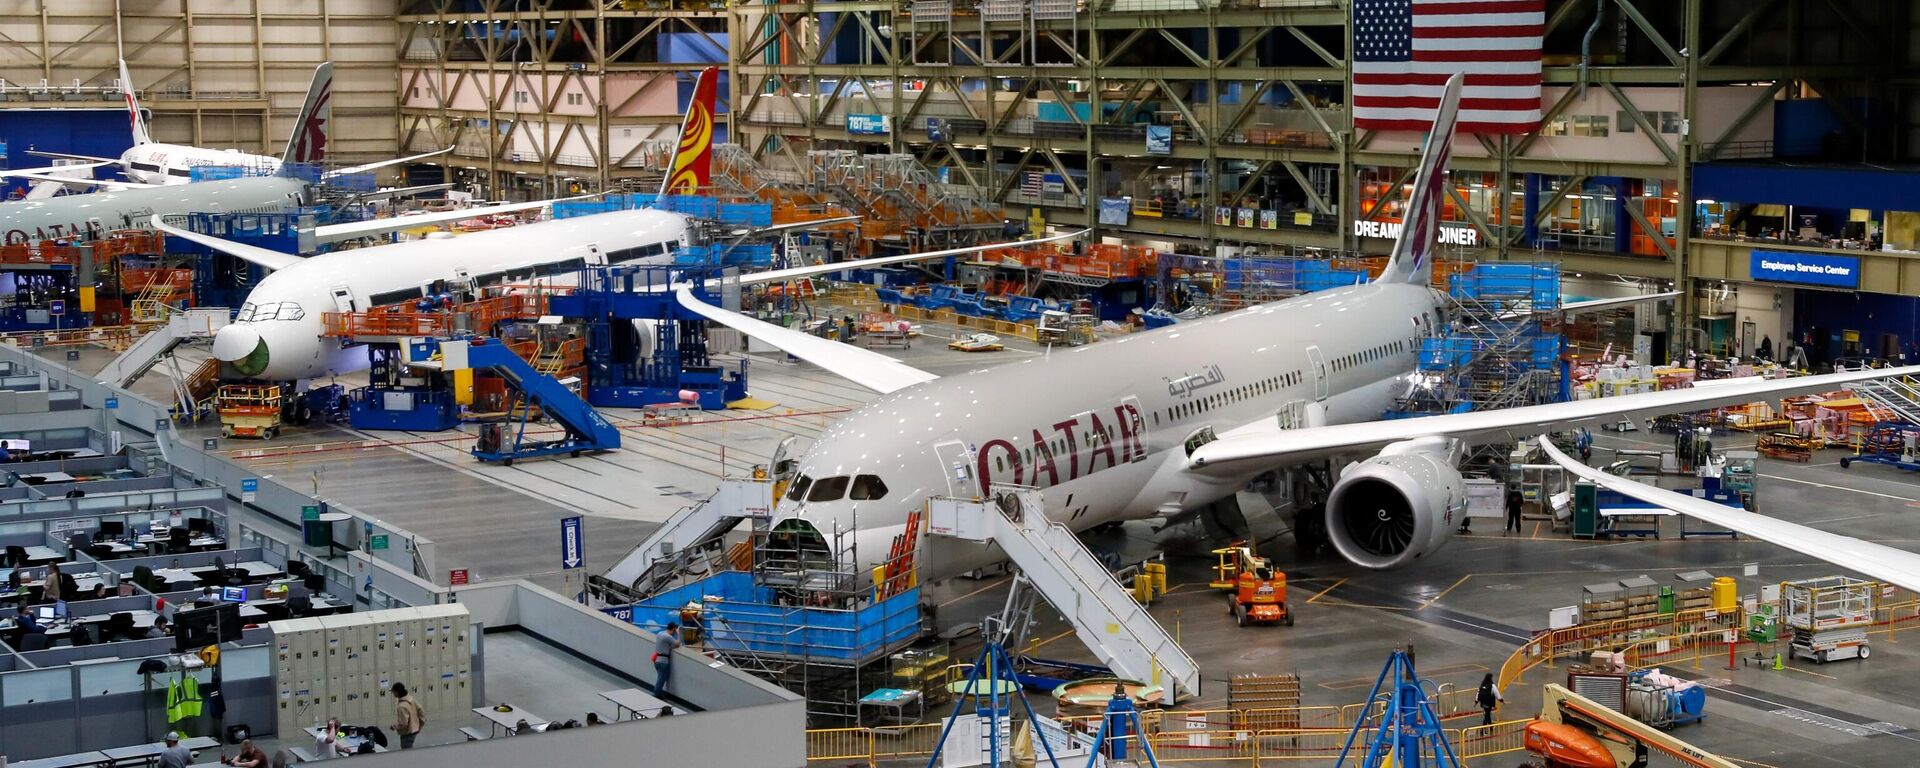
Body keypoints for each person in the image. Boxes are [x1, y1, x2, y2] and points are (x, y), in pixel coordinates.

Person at [390, 682, 425, 749]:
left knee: (406, 752)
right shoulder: (410, 699)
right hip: (414, 729)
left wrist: (394, 726)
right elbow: (421, 710)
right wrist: (420, 724)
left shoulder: (401, 706)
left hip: (407, 733)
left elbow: (403, 723)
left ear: (397, 692)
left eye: (393, 692)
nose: (393, 693)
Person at [654, 621, 680, 693]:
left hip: (657, 660)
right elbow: (677, 644)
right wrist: (678, 634)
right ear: (673, 629)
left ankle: (658, 693)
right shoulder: (668, 637)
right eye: (675, 630)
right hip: (663, 661)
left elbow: (665, 645)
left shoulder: (660, 633)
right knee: (661, 680)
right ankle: (657, 695)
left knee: (660, 678)